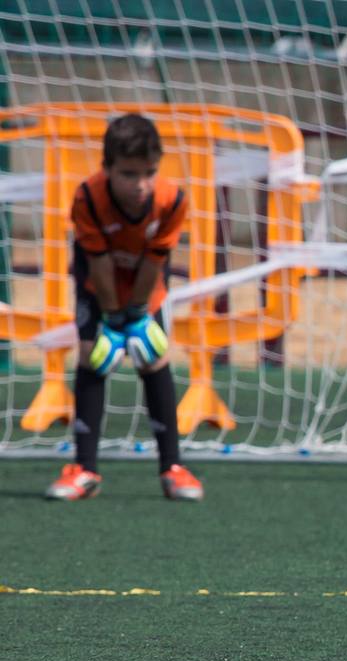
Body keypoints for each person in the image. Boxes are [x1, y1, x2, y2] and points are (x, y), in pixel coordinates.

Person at [47, 112, 203, 503]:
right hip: (97, 284)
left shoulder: (172, 200)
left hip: (143, 288)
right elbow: (97, 263)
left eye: (150, 173)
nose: (142, 185)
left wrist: (136, 315)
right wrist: (113, 319)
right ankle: (84, 469)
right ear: (108, 169)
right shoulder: (88, 198)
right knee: (92, 357)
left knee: (154, 357)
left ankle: (173, 468)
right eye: (130, 174)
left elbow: (156, 262)